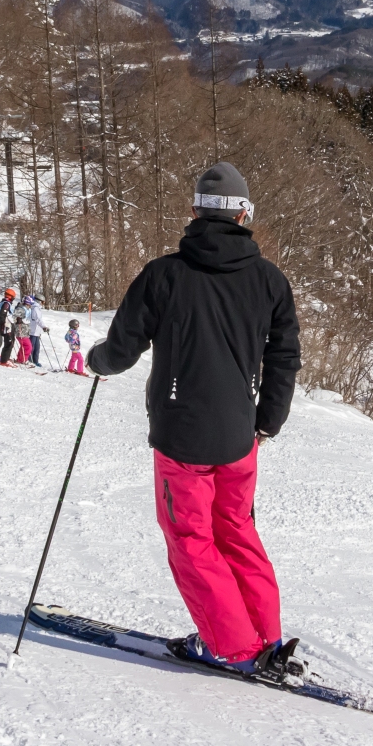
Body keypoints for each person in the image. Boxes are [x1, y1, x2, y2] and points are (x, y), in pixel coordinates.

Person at [86, 162, 303, 681]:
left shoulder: (165, 275)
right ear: (245, 214)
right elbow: (284, 355)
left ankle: (232, 647)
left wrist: (97, 362)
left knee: (191, 540)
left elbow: (121, 348)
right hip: (239, 437)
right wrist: (267, 420)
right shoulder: (269, 279)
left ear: (195, 212)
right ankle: (265, 636)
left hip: (181, 437)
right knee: (237, 531)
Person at [0, 289, 17, 364]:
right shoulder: (6, 303)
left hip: (7, 324)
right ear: (10, 296)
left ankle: (5, 358)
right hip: (6, 326)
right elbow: (2, 315)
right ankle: (4, 360)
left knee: (10, 342)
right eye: (13, 297)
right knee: (9, 343)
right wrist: (5, 324)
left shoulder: (5, 302)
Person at [25, 294, 48, 367]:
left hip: (37, 331)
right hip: (33, 331)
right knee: (32, 347)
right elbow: (38, 319)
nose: (43, 303)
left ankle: (35, 361)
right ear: (39, 301)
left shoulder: (37, 308)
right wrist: (44, 327)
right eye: (43, 302)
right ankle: (29, 360)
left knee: (37, 347)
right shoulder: (35, 308)